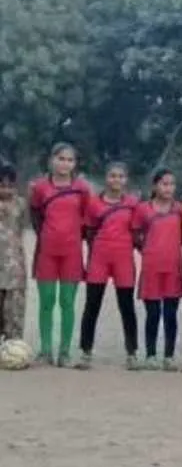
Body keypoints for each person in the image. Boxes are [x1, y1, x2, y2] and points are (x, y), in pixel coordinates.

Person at [29, 142, 91, 366]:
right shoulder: (40, 187)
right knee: (46, 301)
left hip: (71, 253)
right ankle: (45, 351)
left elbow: (87, 217)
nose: (65, 164)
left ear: (75, 164)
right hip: (47, 252)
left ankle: (64, 352)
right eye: (61, 158)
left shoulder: (82, 188)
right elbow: (35, 213)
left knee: (67, 302)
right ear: (51, 160)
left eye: (70, 160)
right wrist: (46, 235)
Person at [78, 162, 140, 370]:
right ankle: (85, 352)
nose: (116, 180)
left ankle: (132, 353)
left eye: (121, 176)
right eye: (112, 176)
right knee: (92, 305)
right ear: (106, 178)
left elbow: (137, 232)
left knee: (127, 306)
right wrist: (95, 251)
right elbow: (88, 231)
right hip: (99, 259)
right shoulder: (94, 204)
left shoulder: (133, 203)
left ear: (126, 180)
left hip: (123, 259)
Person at [133, 168, 182, 371]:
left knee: (171, 314)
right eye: (164, 183)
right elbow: (136, 235)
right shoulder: (143, 209)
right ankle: (151, 355)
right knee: (153, 313)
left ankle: (169, 356)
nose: (168, 188)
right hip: (151, 268)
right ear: (155, 186)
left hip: (173, 268)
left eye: (172, 184)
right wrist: (148, 250)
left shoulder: (180, 210)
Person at [0, 164, 29, 340]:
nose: (6, 190)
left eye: (10, 186)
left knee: (14, 311)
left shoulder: (20, 204)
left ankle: (13, 346)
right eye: (2, 185)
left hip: (14, 268)